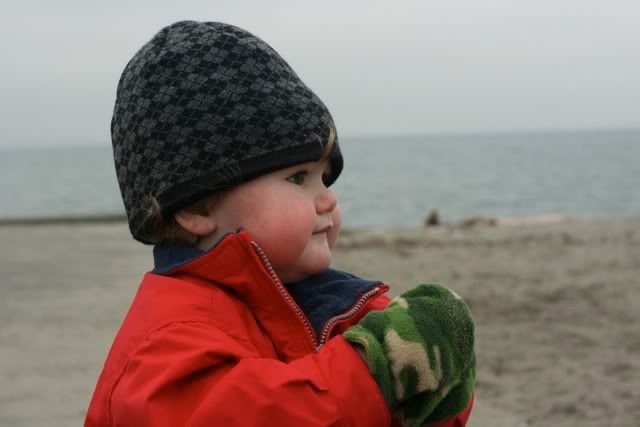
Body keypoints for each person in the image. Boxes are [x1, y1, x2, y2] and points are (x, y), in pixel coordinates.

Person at [85, 20, 475, 427]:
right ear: (197, 208)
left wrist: (438, 381)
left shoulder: (319, 301)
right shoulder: (166, 342)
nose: (329, 198)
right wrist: (374, 371)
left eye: (325, 177)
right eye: (297, 178)